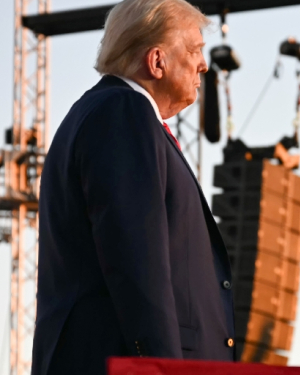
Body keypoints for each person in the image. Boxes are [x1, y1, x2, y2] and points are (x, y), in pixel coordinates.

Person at [32, 1, 234, 374]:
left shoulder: (105, 112)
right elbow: (137, 263)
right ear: (157, 61)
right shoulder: (123, 111)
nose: (204, 65)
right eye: (194, 51)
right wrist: (159, 367)